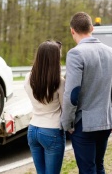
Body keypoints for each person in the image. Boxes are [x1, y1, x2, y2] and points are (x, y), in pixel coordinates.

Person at [61, 12, 112, 174]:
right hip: (106, 120)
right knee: (99, 165)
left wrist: (67, 123)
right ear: (92, 28)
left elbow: (72, 93)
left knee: (87, 169)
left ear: (72, 30)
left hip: (84, 124)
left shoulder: (76, 53)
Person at [24, 40, 65, 174]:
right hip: (51, 131)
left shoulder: (28, 78)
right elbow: (65, 108)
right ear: (55, 59)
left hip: (32, 129)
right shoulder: (59, 81)